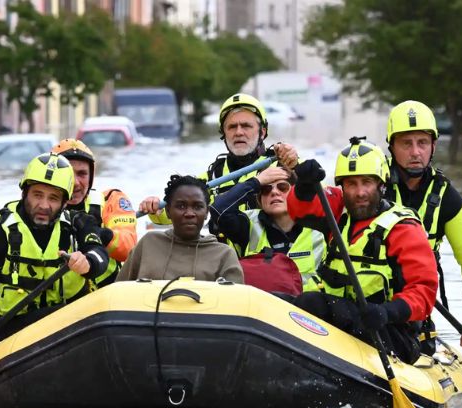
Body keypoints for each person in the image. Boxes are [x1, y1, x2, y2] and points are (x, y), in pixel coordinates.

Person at [0, 153, 110, 369]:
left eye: (53, 198)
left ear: (65, 202)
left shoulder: (79, 226)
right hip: (13, 333)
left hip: (65, 325)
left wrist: (89, 262)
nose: (43, 205)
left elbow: (99, 253)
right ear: (24, 193)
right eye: (37, 195)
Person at [276, 138, 438, 364]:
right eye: (351, 184)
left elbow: (423, 291)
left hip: (389, 331)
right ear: (343, 187)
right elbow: (300, 208)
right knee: (282, 301)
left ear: (381, 184)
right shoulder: (338, 207)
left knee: (313, 303)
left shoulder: (403, 229)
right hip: (343, 320)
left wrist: (387, 312)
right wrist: (303, 184)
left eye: (367, 182)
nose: (360, 192)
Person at [385, 100, 462, 356]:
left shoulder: (447, 198)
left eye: (422, 143)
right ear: (391, 147)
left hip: (413, 310)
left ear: (433, 146)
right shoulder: (371, 186)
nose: (415, 152)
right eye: (406, 143)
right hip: (369, 300)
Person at [139, 93, 288, 221]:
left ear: (262, 132)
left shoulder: (283, 165)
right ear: (224, 134)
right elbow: (173, 213)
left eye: (246, 126)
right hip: (224, 254)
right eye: (232, 127)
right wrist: (155, 208)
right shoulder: (213, 176)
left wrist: (293, 164)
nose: (238, 132)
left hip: (271, 253)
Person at [209, 166, 325, 295]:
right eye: (266, 189)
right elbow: (218, 209)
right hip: (260, 309)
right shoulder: (248, 224)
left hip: (306, 310)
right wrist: (256, 182)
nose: (274, 192)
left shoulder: (319, 224)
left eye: (282, 187)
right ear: (259, 200)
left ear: (296, 193)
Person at [116, 175, 244, 283]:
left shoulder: (224, 255)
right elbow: (119, 292)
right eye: (181, 206)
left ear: (206, 213)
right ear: (168, 211)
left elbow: (236, 305)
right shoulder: (148, 244)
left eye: (197, 206)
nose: (189, 213)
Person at [50, 138, 137, 288]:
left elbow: (129, 249)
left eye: (82, 174)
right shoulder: (40, 209)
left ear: (91, 177)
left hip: (107, 295)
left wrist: (98, 234)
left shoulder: (111, 200)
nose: (76, 182)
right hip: (62, 301)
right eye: (68, 173)